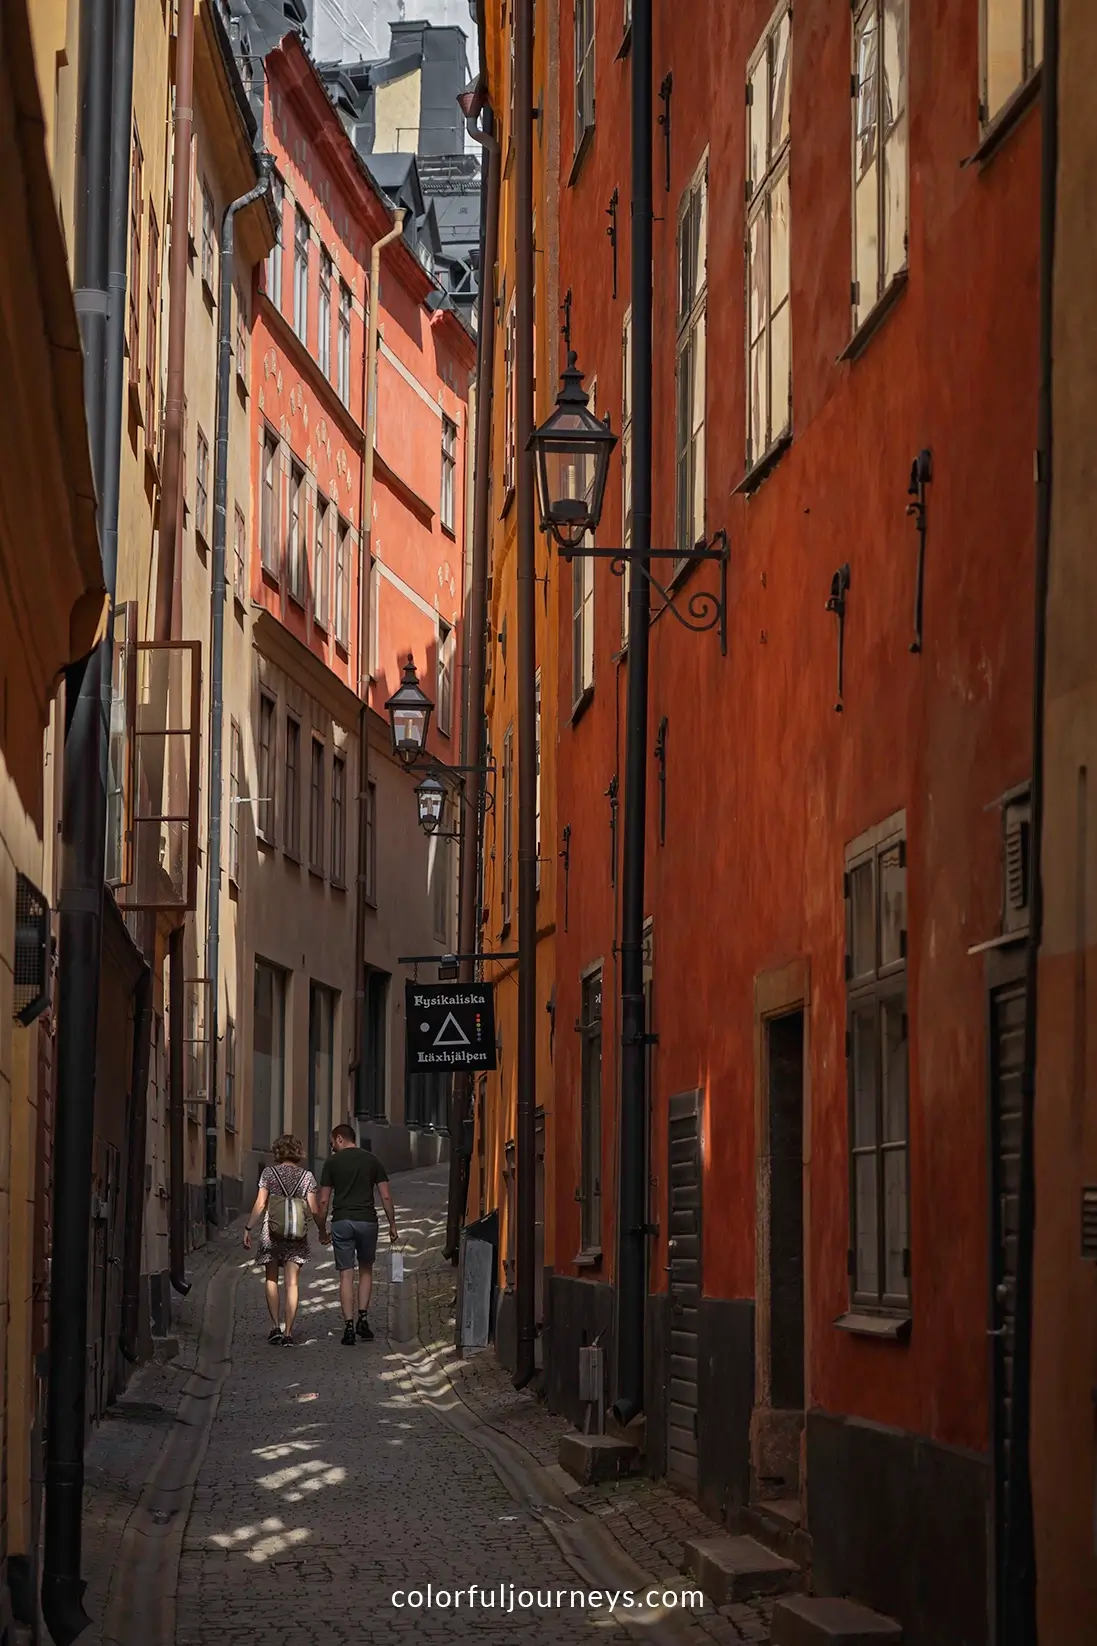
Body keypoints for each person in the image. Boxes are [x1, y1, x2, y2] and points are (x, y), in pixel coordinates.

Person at [317, 1124, 397, 1346]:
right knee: (366, 1270)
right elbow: (386, 1196)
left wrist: (322, 1229)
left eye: (333, 1142)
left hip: (342, 1222)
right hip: (367, 1222)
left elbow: (323, 1201)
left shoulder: (332, 1163)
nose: (332, 1147)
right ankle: (363, 1318)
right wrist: (393, 1225)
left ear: (340, 1138)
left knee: (345, 1274)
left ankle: (349, 1327)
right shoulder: (372, 1160)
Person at [243, 1134, 327, 1345]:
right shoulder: (307, 1177)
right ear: (299, 1152)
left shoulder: (269, 1173)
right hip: (296, 1234)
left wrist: (248, 1227)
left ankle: (275, 1327)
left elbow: (261, 1204)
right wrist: (322, 1230)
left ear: (278, 1152)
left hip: (271, 1233)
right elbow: (315, 1209)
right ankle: (289, 1332)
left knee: (271, 1279)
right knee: (292, 1283)